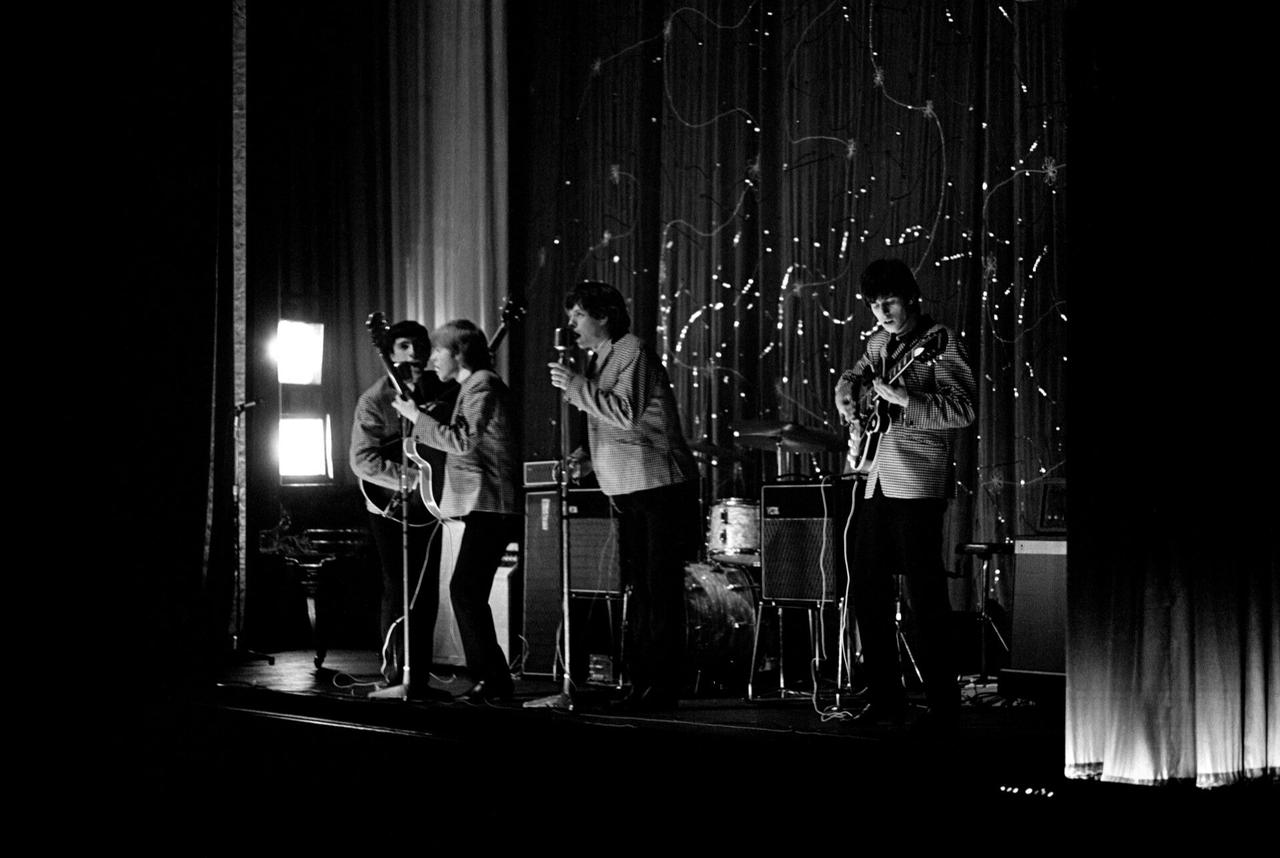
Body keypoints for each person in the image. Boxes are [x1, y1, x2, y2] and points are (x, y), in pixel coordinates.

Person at [834, 259, 976, 731]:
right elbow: (855, 375)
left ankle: (942, 704)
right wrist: (846, 392)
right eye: (874, 305)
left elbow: (963, 409)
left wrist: (904, 401)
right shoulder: (877, 343)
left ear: (911, 296)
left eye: (889, 302)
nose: (882, 313)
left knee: (924, 597)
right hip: (874, 478)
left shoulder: (941, 343)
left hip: (916, 480)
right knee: (868, 591)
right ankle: (885, 698)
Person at [547, 281, 698, 712]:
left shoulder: (632, 350)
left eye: (578, 315)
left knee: (659, 588)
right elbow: (613, 423)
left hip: (659, 484)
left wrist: (575, 386)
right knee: (640, 589)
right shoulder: (602, 359)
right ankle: (641, 681)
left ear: (604, 316)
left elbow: (626, 414)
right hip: (631, 486)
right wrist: (585, 460)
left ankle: (662, 685)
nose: (571, 323)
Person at [392, 320, 519, 703]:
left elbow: (462, 440)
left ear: (458, 353)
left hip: (490, 503)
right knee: (466, 591)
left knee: (464, 590)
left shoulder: (482, 385)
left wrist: (417, 418)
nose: (430, 361)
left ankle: (493, 680)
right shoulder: (473, 386)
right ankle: (492, 679)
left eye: (437, 353)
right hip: (483, 504)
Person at [350, 319, 454, 702]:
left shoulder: (441, 391)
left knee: (425, 591)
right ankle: (395, 672)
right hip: (390, 506)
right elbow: (362, 460)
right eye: (405, 347)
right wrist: (411, 479)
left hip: (430, 506)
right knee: (398, 586)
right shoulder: (375, 399)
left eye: (420, 346)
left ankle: (419, 676)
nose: (415, 354)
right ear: (389, 354)